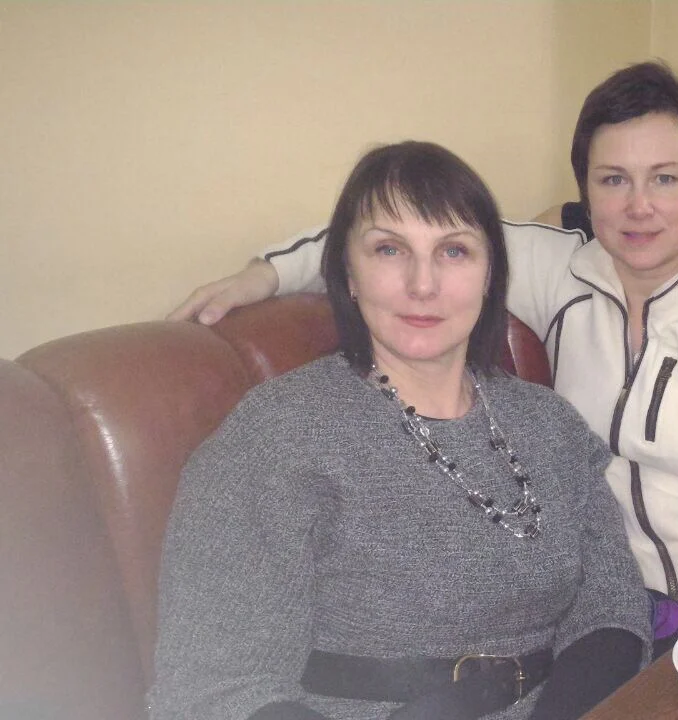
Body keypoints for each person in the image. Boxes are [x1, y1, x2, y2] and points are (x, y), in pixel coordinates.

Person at [168, 64, 678, 643]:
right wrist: (263, 276)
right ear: (585, 189)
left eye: (666, 179)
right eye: (613, 179)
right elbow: (398, 232)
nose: (639, 206)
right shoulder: (559, 271)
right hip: (587, 607)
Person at [149, 142, 652, 720]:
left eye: (454, 251)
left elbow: (611, 606)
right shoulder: (276, 436)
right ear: (348, 273)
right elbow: (216, 686)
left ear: (490, 275)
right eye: (389, 249)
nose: (423, 284)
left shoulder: (550, 423)